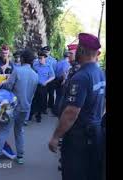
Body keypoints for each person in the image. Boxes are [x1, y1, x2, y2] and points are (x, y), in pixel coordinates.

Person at [48, 33, 106, 180]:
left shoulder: (81, 77)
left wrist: (56, 137)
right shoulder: (100, 73)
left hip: (79, 139)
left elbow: (71, 112)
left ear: (81, 50)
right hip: (95, 134)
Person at [0, 49, 38, 165]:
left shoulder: (17, 71)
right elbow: (32, 94)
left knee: (4, 130)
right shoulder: (35, 75)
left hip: (13, 106)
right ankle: (20, 157)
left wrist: (0, 84)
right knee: (19, 131)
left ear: (22, 59)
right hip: (25, 108)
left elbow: (8, 86)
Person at [30, 51, 55, 122]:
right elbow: (32, 73)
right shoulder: (35, 65)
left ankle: (39, 116)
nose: (39, 60)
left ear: (45, 58)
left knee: (41, 101)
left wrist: (46, 82)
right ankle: (31, 114)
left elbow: (53, 76)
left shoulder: (48, 66)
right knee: (34, 100)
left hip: (43, 86)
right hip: (35, 85)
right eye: (39, 58)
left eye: (41, 58)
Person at [52, 51, 71, 116]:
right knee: (61, 96)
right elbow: (64, 71)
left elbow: (55, 70)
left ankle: (54, 110)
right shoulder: (66, 63)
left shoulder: (59, 62)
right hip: (62, 80)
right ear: (68, 57)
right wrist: (65, 79)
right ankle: (57, 111)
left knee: (57, 96)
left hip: (57, 79)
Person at [41, 46, 57, 111]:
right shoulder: (41, 59)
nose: (46, 53)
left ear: (50, 52)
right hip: (44, 78)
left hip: (51, 78)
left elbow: (55, 70)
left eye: (47, 52)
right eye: (45, 52)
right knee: (44, 94)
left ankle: (51, 106)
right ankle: (44, 107)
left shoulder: (53, 60)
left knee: (51, 93)